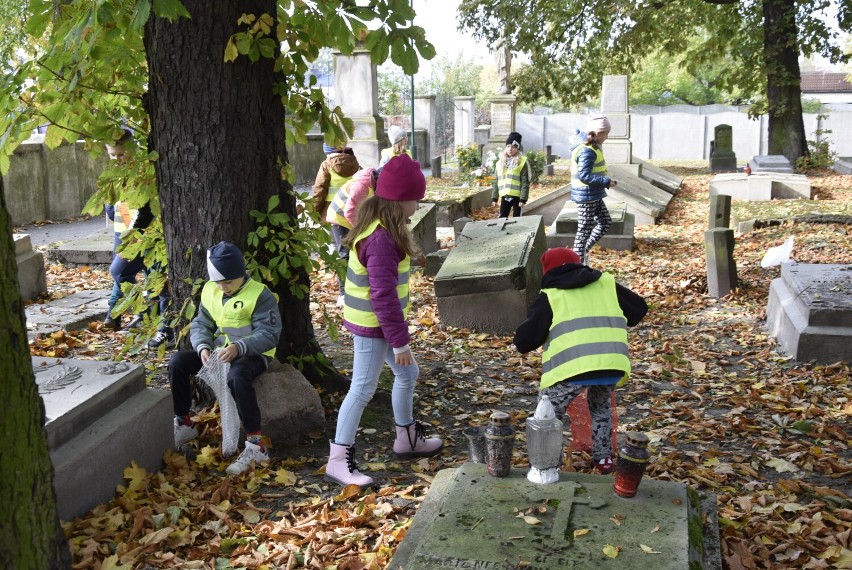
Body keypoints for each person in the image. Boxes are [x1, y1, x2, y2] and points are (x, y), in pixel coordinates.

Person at [325, 154, 443, 488]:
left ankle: (406, 439)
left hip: (381, 324)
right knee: (362, 388)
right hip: (373, 326)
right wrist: (400, 342)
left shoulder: (388, 229)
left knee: (408, 373)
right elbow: (383, 296)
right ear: (400, 199)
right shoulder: (381, 239)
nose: (418, 205)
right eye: (415, 199)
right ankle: (337, 460)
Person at [513, 247, 647, 474]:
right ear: (579, 263)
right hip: (609, 365)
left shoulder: (552, 295)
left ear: (548, 271)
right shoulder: (606, 284)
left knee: (547, 414)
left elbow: (525, 342)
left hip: (570, 369)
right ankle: (604, 459)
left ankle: (545, 464)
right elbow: (639, 310)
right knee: (601, 408)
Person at [169, 242, 282, 476]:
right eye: (218, 283)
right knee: (177, 362)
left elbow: (269, 334)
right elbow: (201, 323)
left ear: (241, 274)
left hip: (252, 354)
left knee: (237, 377)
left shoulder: (260, 294)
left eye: (228, 282)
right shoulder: (211, 290)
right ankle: (184, 422)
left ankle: (255, 444)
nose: (223, 288)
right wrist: (202, 346)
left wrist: (240, 347)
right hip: (219, 352)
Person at [102, 133, 174, 347]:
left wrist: (135, 235)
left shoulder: (144, 172)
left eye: (121, 154)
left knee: (157, 282)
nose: (117, 160)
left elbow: (146, 210)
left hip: (149, 237)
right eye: (112, 155)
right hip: (124, 233)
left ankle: (165, 329)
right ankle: (145, 313)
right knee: (132, 275)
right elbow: (111, 206)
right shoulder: (115, 175)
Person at [325, 167, 380, 307]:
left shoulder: (371, 185)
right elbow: (349, 211)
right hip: (339, 219)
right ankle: (343, 294)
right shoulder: (361, 186)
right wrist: (360, 231)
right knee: (345, 256)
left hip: (350, 221)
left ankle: (357, 288)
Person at [570, 115, 617, 266]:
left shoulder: (594, 147)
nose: (607, 137)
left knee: (605, 222)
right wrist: (606, 181)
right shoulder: (588, 150)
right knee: (584, 230)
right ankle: (576, 263)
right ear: (598, 132)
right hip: (586, 195)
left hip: (593, 194)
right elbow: (584, 175)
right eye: (606, 133)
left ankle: (581, 252)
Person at [312, 143, 360, 220]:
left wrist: (315, 211)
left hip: (332, 208)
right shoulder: (355, 164)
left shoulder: (326, 165)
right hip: (353, 206)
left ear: (328, 153)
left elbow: (320, 189)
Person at [491, 131, 531, 219]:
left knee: (517, 219)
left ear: (517, 149)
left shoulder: (521, 162)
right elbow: (496, 181)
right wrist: (494, 198)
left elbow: (525, 182)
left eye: (513, 147)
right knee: (502, 218)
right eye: (508, 146)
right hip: (505, 196)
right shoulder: (500, 163)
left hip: (517, 197)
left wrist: (523, 199)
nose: (510, 149)